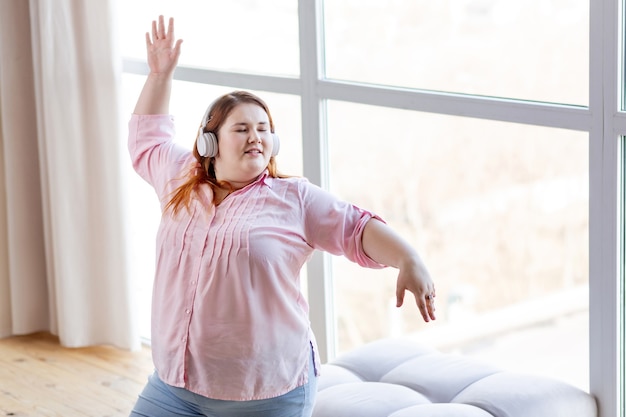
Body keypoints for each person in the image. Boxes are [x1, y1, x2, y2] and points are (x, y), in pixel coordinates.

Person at [128, 15, 436, 417]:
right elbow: (147, 139)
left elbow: (356, 228)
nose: (255, 137)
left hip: (266, 391)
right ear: (209, 141)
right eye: (241, 129)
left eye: (263, 128)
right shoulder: (179, 176)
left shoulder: (294, 198)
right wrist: (159, 75)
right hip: (174, 383)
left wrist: (408, 259)